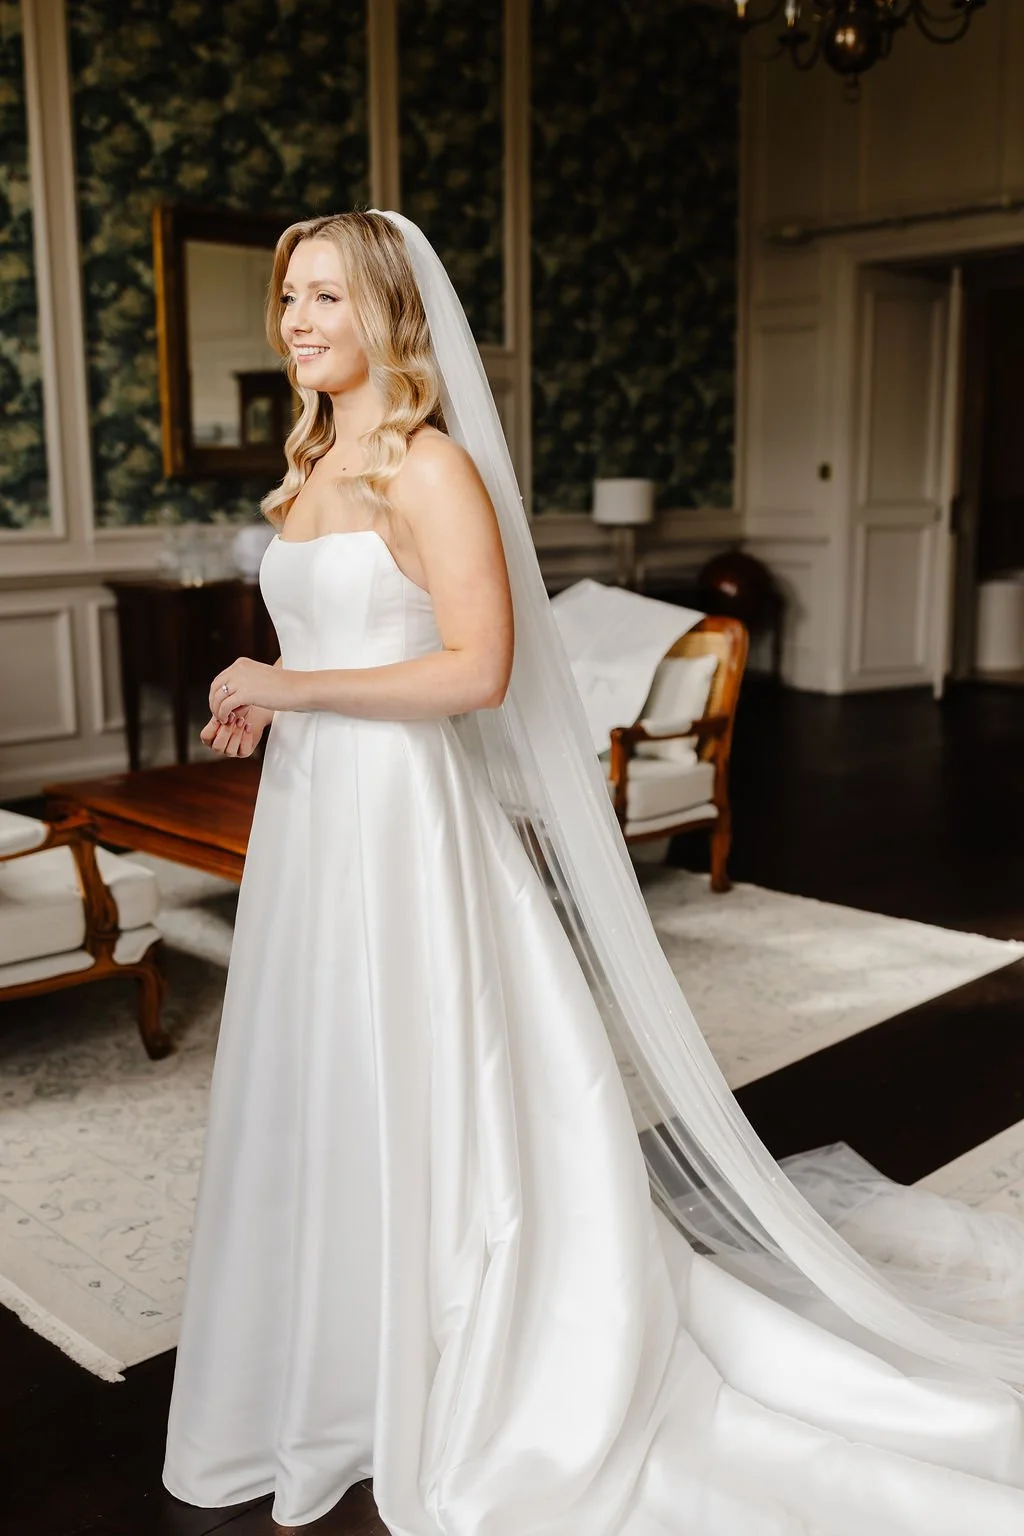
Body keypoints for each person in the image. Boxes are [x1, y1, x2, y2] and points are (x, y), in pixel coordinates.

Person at [163, 210, 1024, 1534]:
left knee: (433, 1073)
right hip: (317, 810)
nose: (297, 320)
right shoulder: (314, 465)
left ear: (390, 311)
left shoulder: (432, 466)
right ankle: (335, 1352)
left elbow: (478, 673)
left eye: (327, 297)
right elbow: (347, 643)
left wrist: (293, 679)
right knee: (325, 1071)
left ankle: (472, 1345)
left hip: (407, 821)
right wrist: (283, 707)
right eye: (289, 296)